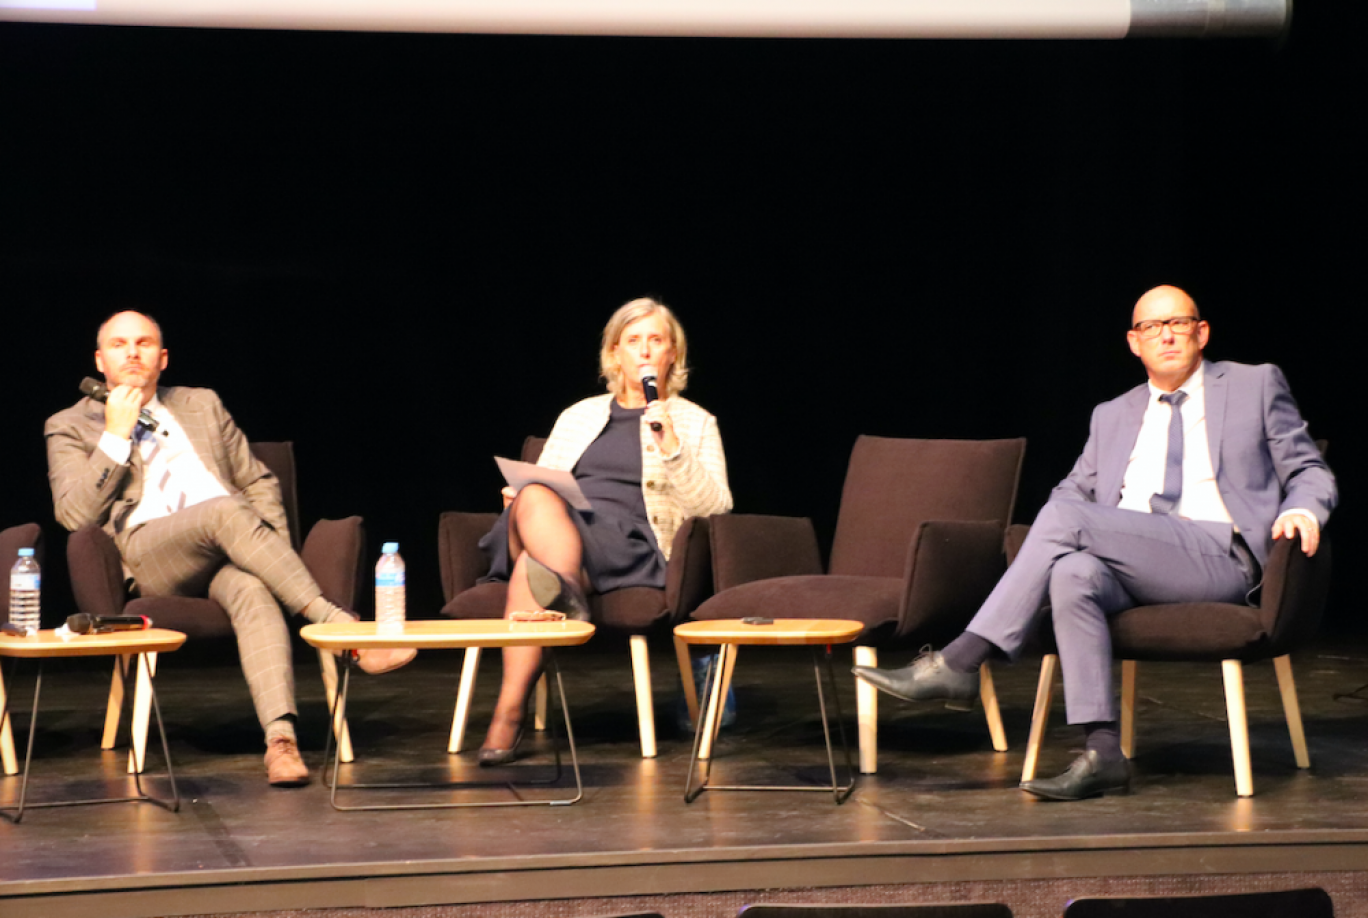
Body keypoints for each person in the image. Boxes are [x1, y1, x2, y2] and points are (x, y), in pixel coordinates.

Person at [853, 285, 1336, 801]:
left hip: (1219, 556)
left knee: (1065, 521)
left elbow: (1309, 468)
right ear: (1134, 343)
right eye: (1152, 327)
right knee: (1072, 573)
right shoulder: (1112, 414)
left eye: (1178, 322)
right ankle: (1103, 751)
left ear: (1202, 332)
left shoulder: (1254, 384)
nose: (1166, 334)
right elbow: (1072, 493)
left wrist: (1302, 508)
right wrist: (1061, 536)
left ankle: (963, 660)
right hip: (1133, 560)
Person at [45, 310, 414, 788]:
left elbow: (257, 481)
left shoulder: (201, 404)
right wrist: (116, 433)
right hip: (152, 553)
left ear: (163, 358)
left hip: (227, 548)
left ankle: (280, 742)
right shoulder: (70, 425)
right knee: (223, 509)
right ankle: (340, 625)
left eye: (144, 343)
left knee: (254, 589)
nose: (132, 352)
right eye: (119, 344)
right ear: (100, 359)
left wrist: (268, 549)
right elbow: (75, 515)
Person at [476, 297, 733, 764]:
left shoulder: (695, 422)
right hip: (561, 526)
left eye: (656, 341)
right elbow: (546, 482)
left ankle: (506, 718)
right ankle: (566, 590)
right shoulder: (578, 415)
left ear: (673, 353)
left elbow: (715, 509)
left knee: (534, 569)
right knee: (534, 496)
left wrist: (673, 448)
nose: (645, 352)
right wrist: (518, 499)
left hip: (630, 541)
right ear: (614, 354)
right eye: (633, 342)